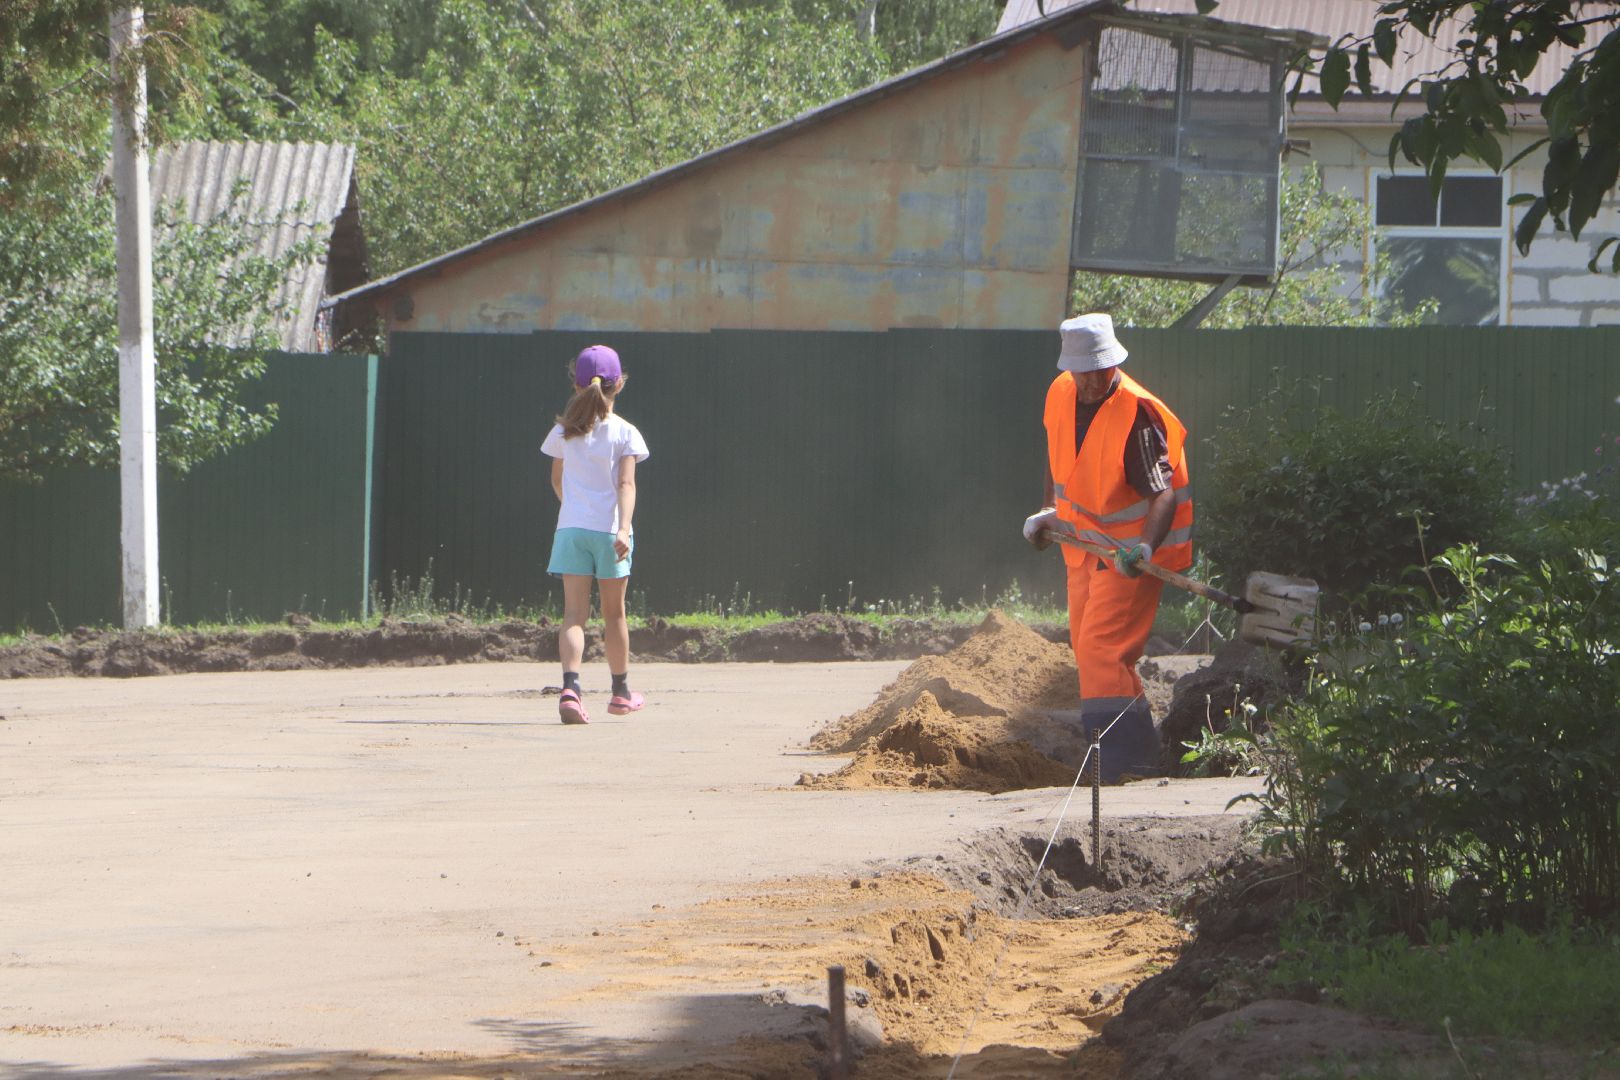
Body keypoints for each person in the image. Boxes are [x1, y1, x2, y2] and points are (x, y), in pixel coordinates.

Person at [1022, 313, 1193, 781]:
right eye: (1085, 371)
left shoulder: (1134, 414)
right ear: (1070, 370)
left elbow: (1163, 493)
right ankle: (1136, 752)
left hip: (1126, 558)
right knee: (1088, 647)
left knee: (1102, 649)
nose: (1095, 380)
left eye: (1102, 369)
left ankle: (1120, 762)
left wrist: (1144, 550)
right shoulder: (1060, 394)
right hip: (1081, 550)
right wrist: (1047, 509)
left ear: (1113, 362)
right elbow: (1057, 454)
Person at [541, 344, 650, 725]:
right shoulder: (626, 433)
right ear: (619, 384)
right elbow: (627, 484)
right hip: (609, 534)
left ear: (576, 384)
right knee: (614, 615)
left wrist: (573, 508)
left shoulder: (563, 431)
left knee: (573, 614)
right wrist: (622, 528)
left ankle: (571, 689)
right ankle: (620, 694)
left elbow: (557, 478)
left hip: (571, 529)